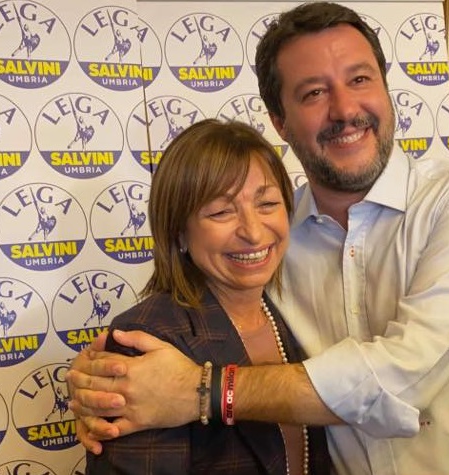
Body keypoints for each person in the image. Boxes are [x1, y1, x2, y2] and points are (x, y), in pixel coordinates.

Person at [67, 3, 449, 474]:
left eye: (360, 79)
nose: (345, 109)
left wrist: (202, 391)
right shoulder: (270, 242)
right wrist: (101, 383)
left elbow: (405, 376)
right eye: (314, 93)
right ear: (280, 121)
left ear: (386, 90)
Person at [85, 119, 330, 474]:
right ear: (179, 232)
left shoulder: (298, 312)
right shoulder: (145, 342)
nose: (253, 232)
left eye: (267, 204)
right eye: (221, 212)